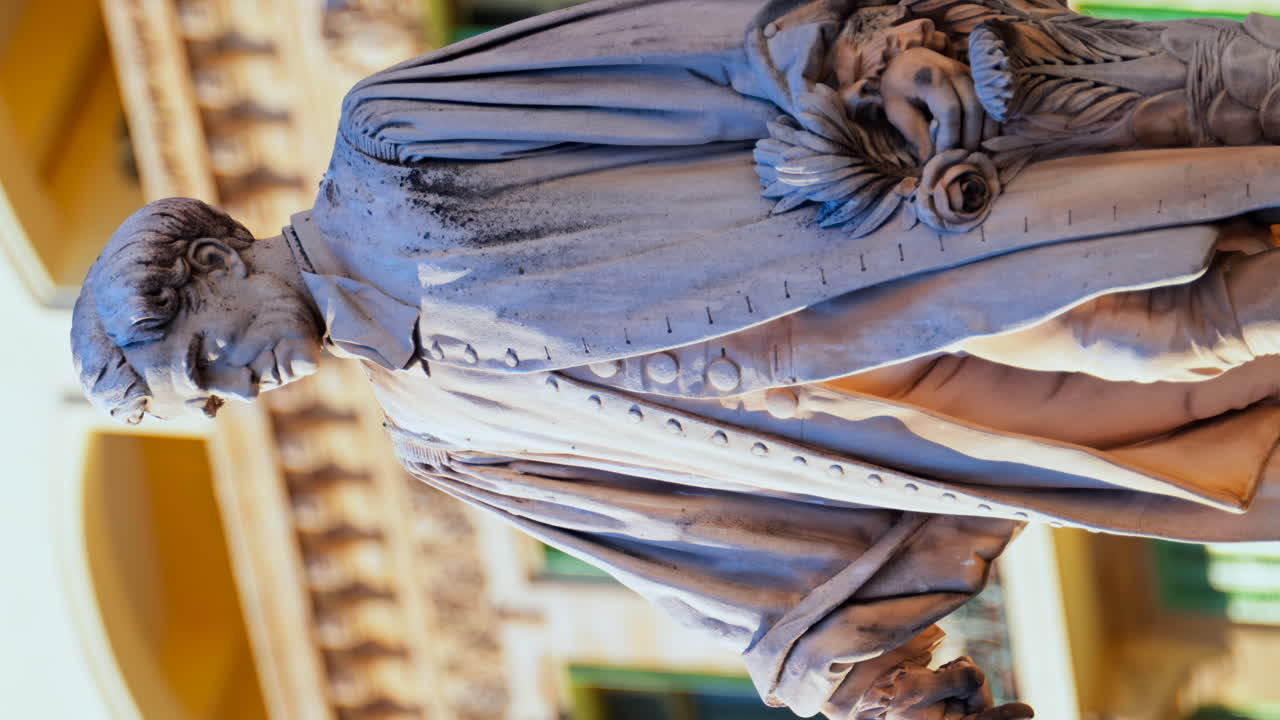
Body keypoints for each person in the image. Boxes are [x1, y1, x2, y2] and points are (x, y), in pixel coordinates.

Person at [70, 0, 1280, 717]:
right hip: (891, 392)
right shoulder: (444, 436)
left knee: (1166, 310)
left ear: (210, 266)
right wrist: (855, 682)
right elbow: (696, 553)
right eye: (211, 401)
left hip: (905, 231)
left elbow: (668, 57)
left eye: (206, 364)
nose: (237, 395)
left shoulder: (391, 143)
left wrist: (855, 60)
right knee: (1177, 365)